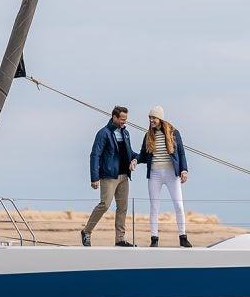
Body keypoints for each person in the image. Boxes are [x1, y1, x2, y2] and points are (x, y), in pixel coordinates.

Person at [81, 105, 138, 247]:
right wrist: (94, 177)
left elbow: (130, 153)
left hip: (124, 176)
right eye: (122, 119)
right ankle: (86, 231)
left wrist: (143, 157)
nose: (124, 122)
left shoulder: (126, 133)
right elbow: (95, 155)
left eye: (126, 119)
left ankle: (120, 239)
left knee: (122, 207)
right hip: (108, 176)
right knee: (105, 204)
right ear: (114, 117)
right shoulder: (103, 133)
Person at [136, 105, 191, 248]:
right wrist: (135, 160)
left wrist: (184, 170)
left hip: (172, 174)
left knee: (179, 205)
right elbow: (143, 154)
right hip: (154, 174)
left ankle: (183, 237)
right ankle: (154, 238)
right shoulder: (148, 135)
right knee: (154, 207)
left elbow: (182, 153)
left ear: (160, 118)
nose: (151, 120)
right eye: (150, 118)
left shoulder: (173, 133)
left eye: (153, 118)